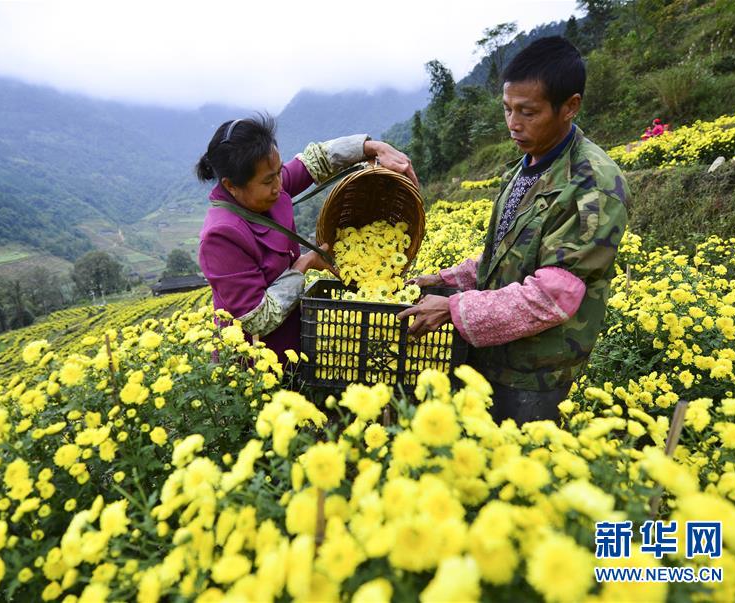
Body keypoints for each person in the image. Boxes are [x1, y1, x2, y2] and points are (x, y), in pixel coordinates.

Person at [399, 36, 630, 425]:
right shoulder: (530, 163)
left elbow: (552, 296)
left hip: (532, 371)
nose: (513, 124)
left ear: (570, 106)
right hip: (493, 353)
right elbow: (506, 255)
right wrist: (445, 280)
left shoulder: (592, 185)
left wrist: (454, 308)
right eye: (507, 110)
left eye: (527, 112)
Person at [197, 114, 417, 362]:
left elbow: (317, 159)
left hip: (294, 342)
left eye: (279, 172)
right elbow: (259, 318)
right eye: (269, 180)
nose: (279, 186)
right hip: (256, 367)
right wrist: (304, 264)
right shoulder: (221, 236)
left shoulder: (267, 189)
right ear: (231, 186)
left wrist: (373, 147)